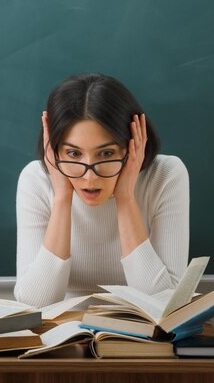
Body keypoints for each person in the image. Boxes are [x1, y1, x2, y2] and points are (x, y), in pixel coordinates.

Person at [14, 73, 189, 308]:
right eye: (74, 154)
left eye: (106, 154)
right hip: (63, 335)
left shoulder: (165, 175)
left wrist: (125, 197)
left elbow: (165, 301)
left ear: (132, 144)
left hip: (141, 335)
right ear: (53, 150)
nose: (90, 177)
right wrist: (63, 198)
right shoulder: (36, 179)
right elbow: (34, 302)